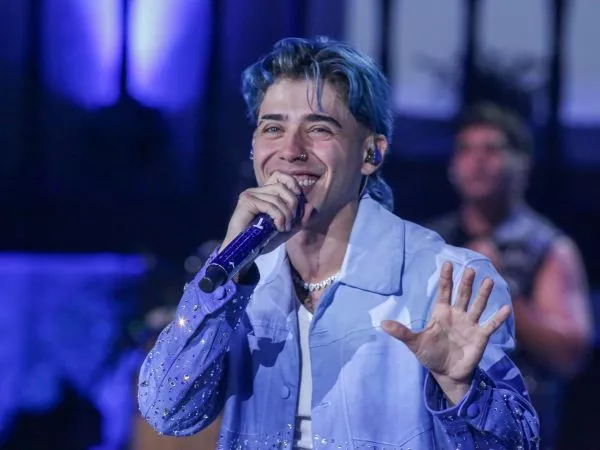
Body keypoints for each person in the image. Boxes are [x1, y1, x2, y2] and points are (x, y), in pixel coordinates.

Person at [138, 37, 540, 449]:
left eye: (319, 129)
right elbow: (168, 411)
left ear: (371, 153)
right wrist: (227, 268)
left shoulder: (449, 280)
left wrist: (461, 390)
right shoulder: (237, 281)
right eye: (273, 128)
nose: (291, 150)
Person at [427, 103, 593, 449]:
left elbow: (570, 353)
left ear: (522, 164)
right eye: (466, 149)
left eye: (492, 150)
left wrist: (501, 288)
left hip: (514, 430)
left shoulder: (547, 247)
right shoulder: (432, 240)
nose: (477, 161)